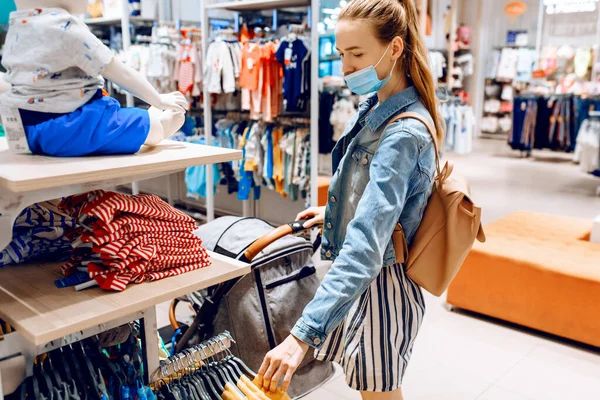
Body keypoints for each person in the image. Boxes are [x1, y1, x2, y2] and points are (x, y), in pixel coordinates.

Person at [258, 0, 445, 399]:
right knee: (370, 387)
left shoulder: (401, 133)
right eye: (342, 54)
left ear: (395, 48)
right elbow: (385, 198)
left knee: (378, 391)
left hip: (379, 284)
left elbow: (366, 245)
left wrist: (301, 337)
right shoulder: (378, 108)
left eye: (356, 54)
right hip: (365, 280)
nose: (345, 67)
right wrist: (335, 209)